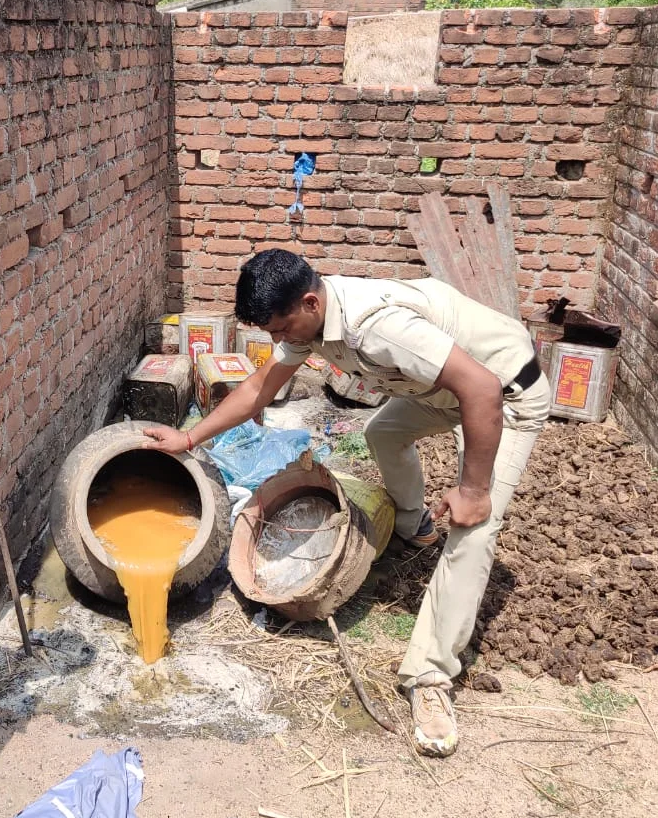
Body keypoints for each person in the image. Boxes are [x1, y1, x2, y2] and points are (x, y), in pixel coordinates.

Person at [145, 249, 550, 758]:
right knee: (384, 432)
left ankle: (431, 678)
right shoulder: (308, 321)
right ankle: (412, 523)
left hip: (504, 396)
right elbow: (259, 388)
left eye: (281, 328)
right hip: (440, 391)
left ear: (310, 303)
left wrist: (471, 491)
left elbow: (482, 388)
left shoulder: (375, 326)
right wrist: (190, 439)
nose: (278, 340)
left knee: (474, 530)